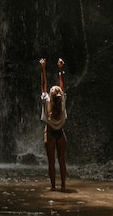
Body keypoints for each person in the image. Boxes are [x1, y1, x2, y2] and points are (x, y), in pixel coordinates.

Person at [39, 57, 67, 191]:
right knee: (62, 161)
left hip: (49, 133)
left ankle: (53, 187)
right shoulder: (62, 102)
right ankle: (63, 185)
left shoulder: (46, 101)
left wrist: (43, 69)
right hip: (60, 133)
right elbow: (62, 86)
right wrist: (61, 70)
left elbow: (43, 84)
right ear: (60, 95)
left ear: (50, 95)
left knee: (51, 162)